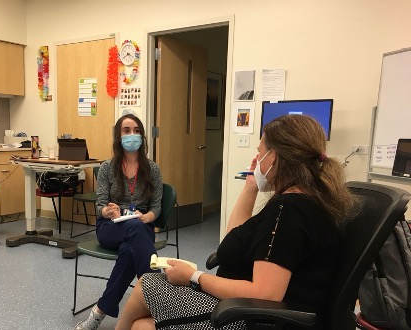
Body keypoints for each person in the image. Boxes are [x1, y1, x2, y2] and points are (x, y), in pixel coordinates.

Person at [115, 115, 356, 330]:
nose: (257, 158)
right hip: (248, 308)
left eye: (260, 151)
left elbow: (266, 294)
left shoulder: (289, 209)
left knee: (146, 286)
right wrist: (251, 186)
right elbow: (237, 237)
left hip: (252, 317)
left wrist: (194, 276)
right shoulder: (305, 200)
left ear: (274, 157)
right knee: (141, 324)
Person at [74, 113, 163, 330]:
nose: (132, 135)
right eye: (126, 131)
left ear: (142, 135)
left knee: (129, 251)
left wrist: (146, 217)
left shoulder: (152, 169)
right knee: (135, 231)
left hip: (141, 225)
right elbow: (99, 206)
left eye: (136, 130)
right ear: (118, 136)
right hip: (110, 228)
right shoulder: (107, 168)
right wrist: (107, 211)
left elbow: (156, 208)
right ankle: (160, 298)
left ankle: (99, 312)